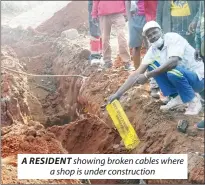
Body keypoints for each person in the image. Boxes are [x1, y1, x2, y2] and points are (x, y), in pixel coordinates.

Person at [107, 21, 204, 115]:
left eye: (155, 32)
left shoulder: (172, 37)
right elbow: (136, 74)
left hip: (198, 79)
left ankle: (193, 101)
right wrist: (118, 94)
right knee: (152, 65)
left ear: (161, 31)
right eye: (149, 35)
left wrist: (147, 75)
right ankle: (176, 97)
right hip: (181, 78)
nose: (153, 36)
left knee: (172, 71)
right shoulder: (152, 50)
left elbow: (173, 62)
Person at [126, 0, 160, 98]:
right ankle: (137, 76)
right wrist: (129, 18)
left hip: (150, 16)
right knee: (136, 47)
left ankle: (155, 84)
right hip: (135, 17)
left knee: (152, 49)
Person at [92, 0, 134, 71]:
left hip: (119, 13)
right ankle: (107, 61)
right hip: (103, 14)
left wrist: (126, 12)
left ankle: (127, 62)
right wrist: (94, 14)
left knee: (122, 37)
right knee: (105, 39)